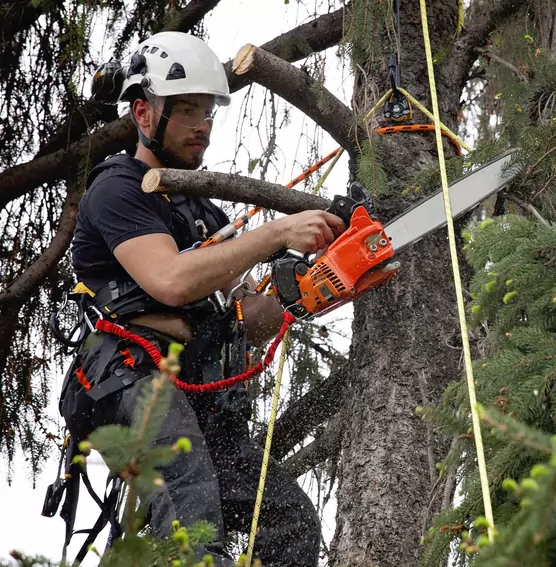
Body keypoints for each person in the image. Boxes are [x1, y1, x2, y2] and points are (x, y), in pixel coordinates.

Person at [58, 31, 344, 565]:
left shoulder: (203, 213)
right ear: (143, 114)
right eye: (186, 110)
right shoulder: (118, 187)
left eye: (208, 111)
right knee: (191, 511)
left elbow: (249, 317)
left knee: (286, 521)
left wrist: (321, 281)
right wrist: (275, 234)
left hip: (196, 390)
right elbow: (170, 279)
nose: (202, 125)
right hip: (133, 375)